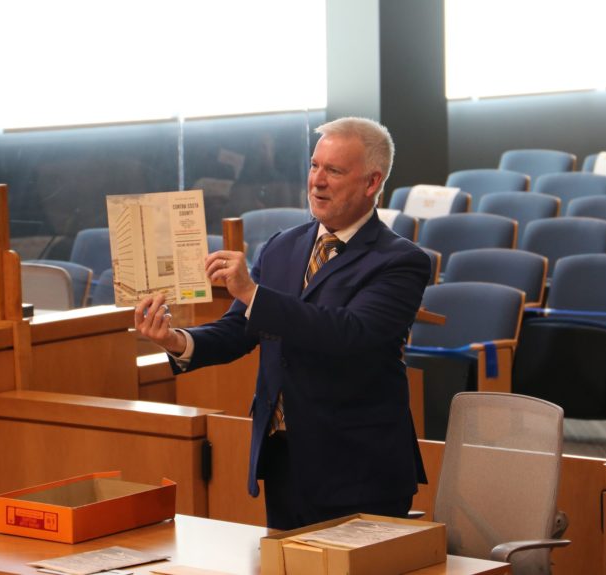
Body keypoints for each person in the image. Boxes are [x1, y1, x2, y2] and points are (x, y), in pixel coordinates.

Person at [135, 117, 430, 530]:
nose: (317, 181)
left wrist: (253, 293)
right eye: (314, 166)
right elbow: (238, 330)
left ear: (371, 182)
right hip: (285, 463)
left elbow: (348, 333)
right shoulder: (282, 246)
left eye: (334, 171)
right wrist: (177, 340)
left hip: (359, 466)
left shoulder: (400, 261)